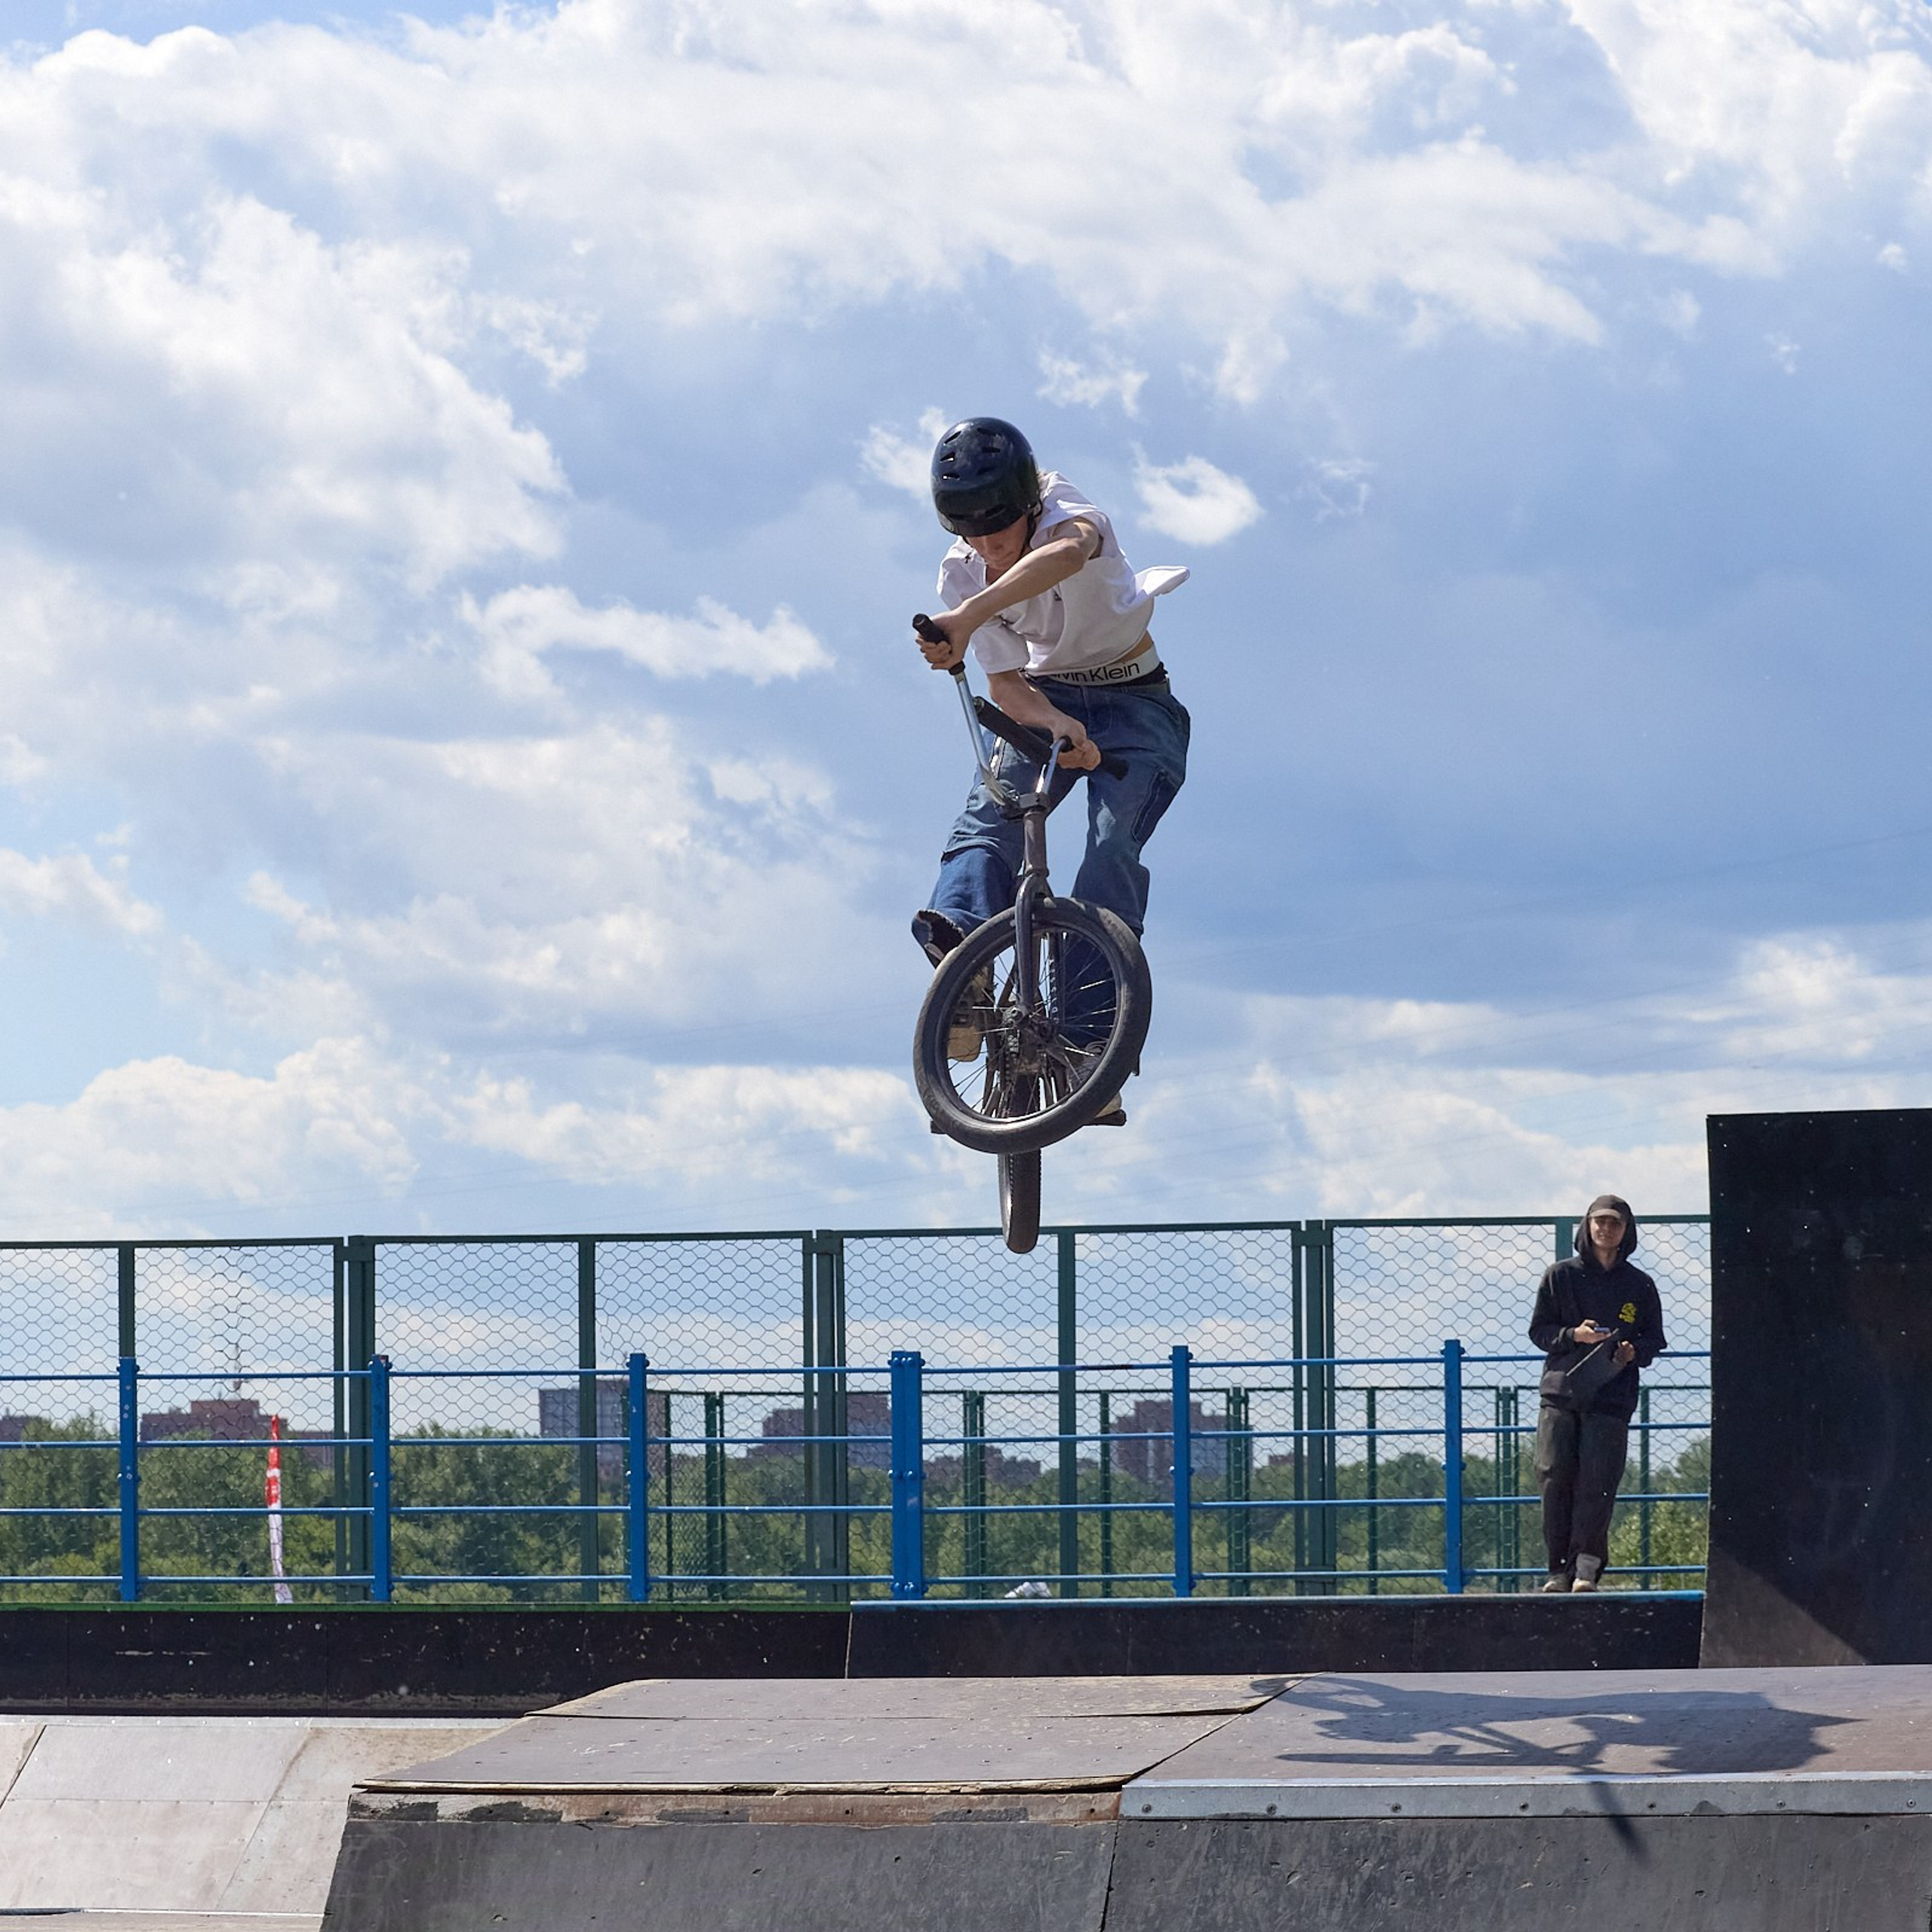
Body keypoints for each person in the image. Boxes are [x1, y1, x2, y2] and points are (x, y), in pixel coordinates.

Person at [909, 417, 1192, 1126]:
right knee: (993, 814)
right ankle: (964, 961)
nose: (987, 547)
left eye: (998, 528)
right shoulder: (961, 570)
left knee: (1111, 851)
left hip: (1136, 702)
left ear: (1028, 505)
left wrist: (966, 618)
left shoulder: (1065, 510)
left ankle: (1092, 1046)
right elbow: (1006, 686)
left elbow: (1065, 557)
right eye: (969, 532)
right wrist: (1057, 724)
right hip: (1045, 700)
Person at [1527, 1194, 1667, 1593]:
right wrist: (1574, 1335)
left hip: (1611, 1398)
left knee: (1598, 1481)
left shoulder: (1640, 1285)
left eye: (1615, 1223)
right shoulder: (1560, 1276)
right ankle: (1558, 1570)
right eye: (1600, 1221)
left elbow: (1654, 1339)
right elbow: (1539, 1331)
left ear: (1627, 1231)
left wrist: (1633, 1351)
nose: (1606, 1229)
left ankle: (1586, 1569)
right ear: (1587, 1226)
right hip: (1561, 1394)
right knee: (1554, 1476)